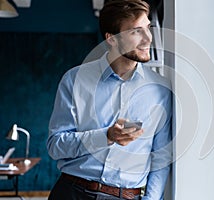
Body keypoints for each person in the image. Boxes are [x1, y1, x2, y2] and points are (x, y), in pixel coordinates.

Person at [46, 0, 172, 199]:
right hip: (72, 192)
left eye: (149, 28)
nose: (148, 38)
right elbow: (56, 146)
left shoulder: (161, 90)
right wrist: (106, 136)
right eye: (135, 31)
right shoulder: (75, 79)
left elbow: (161, 158)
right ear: (112, 39)